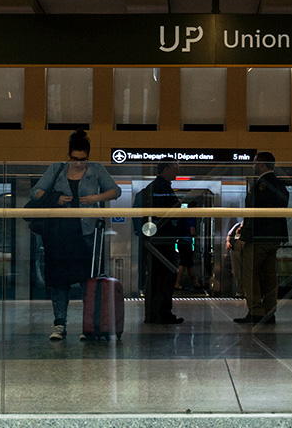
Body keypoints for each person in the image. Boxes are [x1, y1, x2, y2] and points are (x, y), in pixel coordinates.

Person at [29, 131, 119, 341]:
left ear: (88, 156)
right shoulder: (57, 168)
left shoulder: (96, 169)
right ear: (68, 156)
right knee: (60, 281)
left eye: (83, 160)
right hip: (59, 233)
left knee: (88, 280)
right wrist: (57, 199)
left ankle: (89, 325)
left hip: (87, 233)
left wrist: (96, 197)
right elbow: (37, 191)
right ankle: (59, 324)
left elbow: (115, 190)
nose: (78, 164)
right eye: (74, 159)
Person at [234, 151, 288, 327]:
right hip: (275, 237)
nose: (253, 166)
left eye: (255, 163)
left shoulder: (260, 185)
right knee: (269, 274)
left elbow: (253, 213)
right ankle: (270, 311)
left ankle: (256, 311)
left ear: (262, 165)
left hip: (258, 238)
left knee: (250, 273)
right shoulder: (280, 184)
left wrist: (245, 236)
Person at [135, 159, 185, 325]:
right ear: (166, 168)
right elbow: (172, 213)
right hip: (162, 242)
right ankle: (162, 312)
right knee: (164, 277)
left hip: (152, 240)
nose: (177, 172)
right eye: (175, 168)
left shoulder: (149, 189)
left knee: (154, 278)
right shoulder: (162, 189)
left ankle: (154, 313)